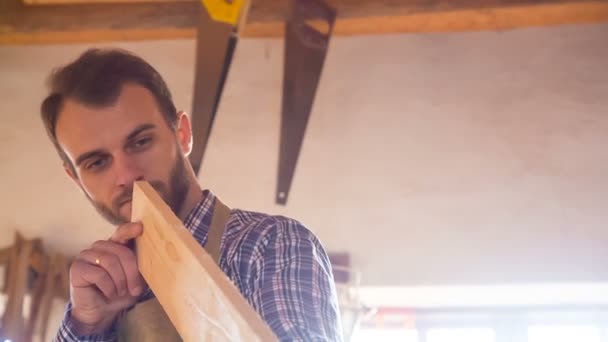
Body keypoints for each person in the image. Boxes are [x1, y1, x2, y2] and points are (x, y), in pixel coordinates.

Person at [41, 48, 342, 341]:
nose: (127, 175)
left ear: (182, 134)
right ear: (76, 179)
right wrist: (85, 328)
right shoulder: (97, 299)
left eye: (141, 142)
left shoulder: (269, 245)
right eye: (97, 163)